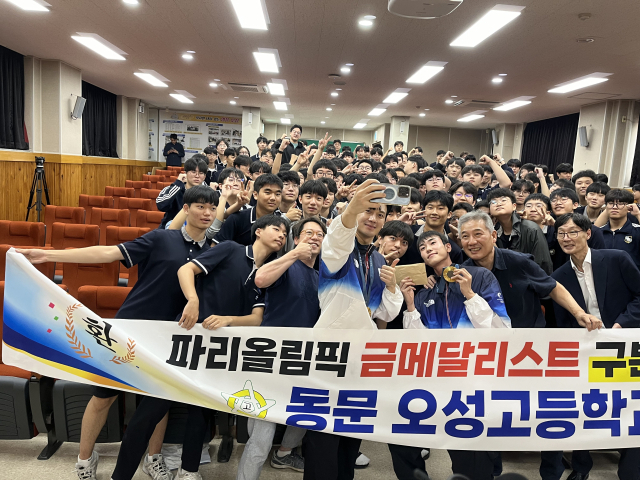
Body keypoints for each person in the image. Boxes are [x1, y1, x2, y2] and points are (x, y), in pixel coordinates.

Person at [19, 186, 217, 480]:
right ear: (185, 209)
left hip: (171, 335)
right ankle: (84, 460)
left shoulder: (214, 251)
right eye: (200, 206)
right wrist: (47, 255)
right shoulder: (161, 238)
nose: (207, 213)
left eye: (212, 208)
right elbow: (108, 252)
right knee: (104, 396)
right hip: (131, 328)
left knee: (159, 399)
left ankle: (153, 457)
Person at [304, 180, 402, 480]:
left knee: (351, 435)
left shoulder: (378, 259)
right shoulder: (339, 251)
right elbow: (338, 238)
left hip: (363, 358)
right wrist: (350, 210)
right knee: (323, 437)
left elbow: (385, 312)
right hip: (330, 356)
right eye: (368, 211)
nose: (373, 218)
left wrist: (392, 287)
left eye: (380, 214)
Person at [549, 212, 640, 480]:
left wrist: (620, 325)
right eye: (561, 234)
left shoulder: (616, 258)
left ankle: (630, 468)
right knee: (584, 407)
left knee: (628, 406)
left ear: (588, 233)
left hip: (623, 344)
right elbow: (562, 321)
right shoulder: (558, 276)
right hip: (586, 349)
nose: (566, 238)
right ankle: (581, 467)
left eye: (572, 232)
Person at [235, 218, 327, 480]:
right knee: (262, 436)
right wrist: (294, 254)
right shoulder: (285, 263)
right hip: (273, 358)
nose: (314, 237)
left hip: (305, 359)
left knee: (307, 415)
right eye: (308, 233)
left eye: (320, 234)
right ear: (295, 239)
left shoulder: (320, 277)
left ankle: (284, 453)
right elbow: (261, 279)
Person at [458, 211, 602, 330]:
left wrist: (579, 313)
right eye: (465, 236)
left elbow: (553, 287)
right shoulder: (463, 274)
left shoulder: (518, 261)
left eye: (478, 234)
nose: (472, 242)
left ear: (494, 236)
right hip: (487, 344)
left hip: (529, 341)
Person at [487, 188, 552, 274]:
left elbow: (543, 263)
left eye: (503, 200)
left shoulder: (531, 229)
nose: (498, 204)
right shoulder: (491, 232)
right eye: (493, 202)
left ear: (514, 206)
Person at [212, 174, 283, 246]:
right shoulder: (237, 219)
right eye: (268, 193)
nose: (273, 198)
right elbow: (215, 247)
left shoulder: (282, 223)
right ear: (255, 195)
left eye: (277, 194)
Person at [548, 188, 606, 270]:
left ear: (575, 205)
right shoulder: (548, 228)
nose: (558, 203)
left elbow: (600, 257)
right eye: (554, 200)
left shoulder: (591, 229)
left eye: (563, 199)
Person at [157, 156, 207, 228]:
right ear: (185, 173)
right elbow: (161, 205)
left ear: (204, 176)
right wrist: (178, 183)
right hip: (172, 229)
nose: (197, 176)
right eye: (193, 172)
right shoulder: (174, 188)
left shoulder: (208, 193)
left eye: (201, 173)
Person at [598, 188, 640, 269]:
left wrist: (638, 214)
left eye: (620, 204)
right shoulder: (599, 232)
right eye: (611, 203)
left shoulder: (636, 230)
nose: (614, 207)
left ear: (629, 207)